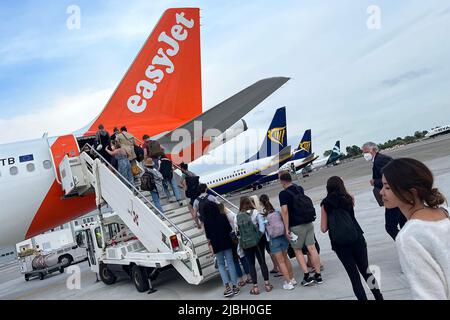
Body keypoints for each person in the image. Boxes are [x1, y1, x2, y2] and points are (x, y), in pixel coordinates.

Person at [380, 158, 450, 299]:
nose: (381, 192)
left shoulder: (409, 236)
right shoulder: (445, 212)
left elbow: (428, 294)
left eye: (387, 187)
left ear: (410, 192)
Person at [321, 176, 384, 300]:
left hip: (340, 244)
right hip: (356, 238)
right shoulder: (349, 198)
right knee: (366, 272)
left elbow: (323, 229)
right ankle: (379, 297)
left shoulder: (325, 204)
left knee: (354, 277)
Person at [278, 171, 323, 286]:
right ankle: (318, 275)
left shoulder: (283, 194)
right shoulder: (299, 188)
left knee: (298, 251)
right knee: (312, 248)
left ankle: (307, 276)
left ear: (282, 181)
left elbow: (285, 211)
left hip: (296, 226)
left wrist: (286, 228)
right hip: (308, 223)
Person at [362, 142, 407, 240]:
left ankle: (405, 244)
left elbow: (391, 177)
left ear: (373, 150)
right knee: (403, 223)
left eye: (366, 152)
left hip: (393, 197)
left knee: (390, 227)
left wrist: (375, 182)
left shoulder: (380, 160)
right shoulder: (379, 159)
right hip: (397, 195)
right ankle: (409, 244)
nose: (364, 155)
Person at [201, 196, 240, 298]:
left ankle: (227, 287)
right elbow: (228, 229)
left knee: (221, 265)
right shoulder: (222, 216)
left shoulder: (207, 221)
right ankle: (235, 286)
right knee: (230, 263)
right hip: (226, 242)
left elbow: (208, 235)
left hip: (216, 244)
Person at [236, 196, 273, 295]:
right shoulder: (255, 212)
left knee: (251, 264)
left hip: (246, 243)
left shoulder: (238, 215)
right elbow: (262, 228)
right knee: (262, 262)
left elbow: (238, 232)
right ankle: (267, 285)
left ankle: (255, 287)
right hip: (257, 242)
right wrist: (257, 238)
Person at [259, 194, 297, 290]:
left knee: (280, 262)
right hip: (283, 237)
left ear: (261, 203)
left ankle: (288, 283)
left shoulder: (264, 216)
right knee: (286, 259)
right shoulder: (276, 211)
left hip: (273, 240)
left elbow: (263, 230)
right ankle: (292, 279)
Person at [217, 203, 252, 287]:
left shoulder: (220, 217)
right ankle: (249, 276)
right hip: (236, 236)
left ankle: (240, 279)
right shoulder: (231, 214)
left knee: (234, 260)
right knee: (242, 257)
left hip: (228, 238)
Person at [249, 195, 281, 276]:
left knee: (271, 251)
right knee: (271, 251)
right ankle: (277, 267)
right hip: (270, 233)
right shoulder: (263, 209)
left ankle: (278, 268)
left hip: (266, 234)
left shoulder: (256, 212)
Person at [180, 163, 201, 229]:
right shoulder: (191, 173)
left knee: (191, 207)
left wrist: (184, 187)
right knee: (197, 206)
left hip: (190, 193)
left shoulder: (184, 174)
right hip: (196, 192)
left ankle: (196, 222)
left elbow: (181, 182)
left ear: (182, 168)